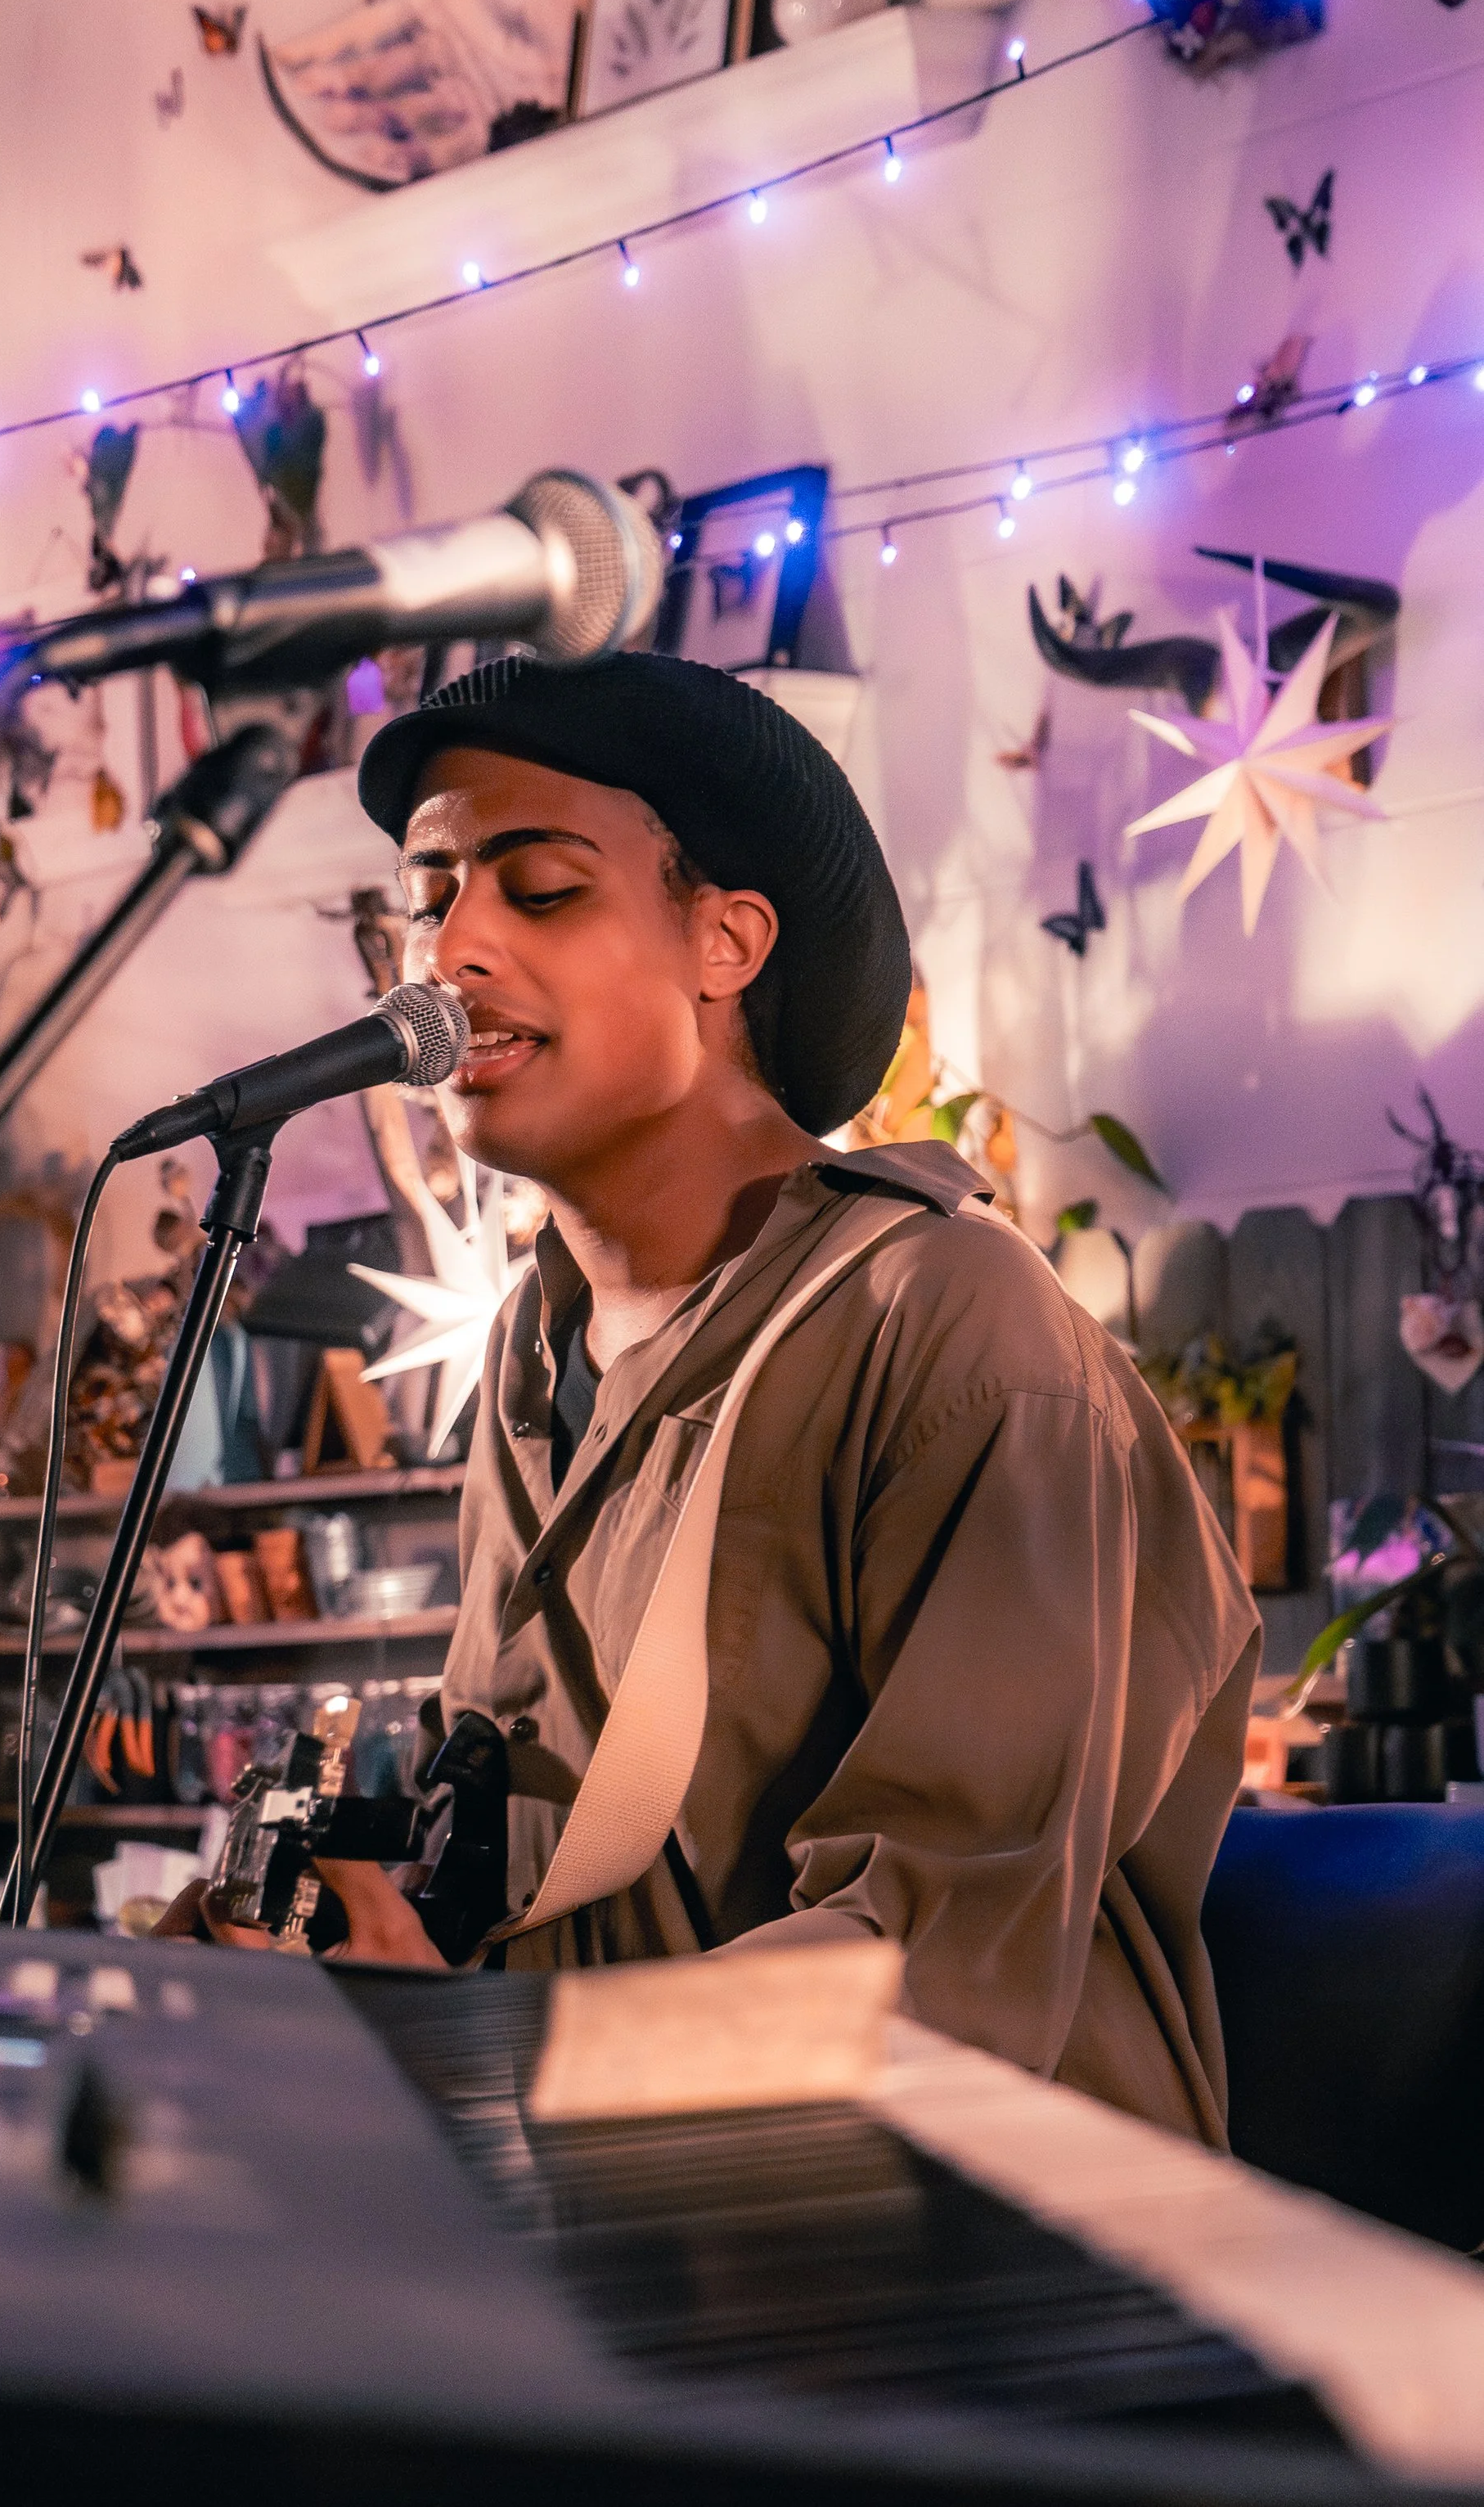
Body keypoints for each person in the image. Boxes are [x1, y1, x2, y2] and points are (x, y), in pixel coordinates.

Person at [175, 649, 1260, 2150]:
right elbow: (545, 1854)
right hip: (615, 2226)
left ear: (728, 941)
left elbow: (938, 1965)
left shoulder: (957, 1332)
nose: (453, 949)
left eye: (540, 889)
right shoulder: (535, 1348)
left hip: (965, 2272)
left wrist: (490, 2063)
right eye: (429, 899)